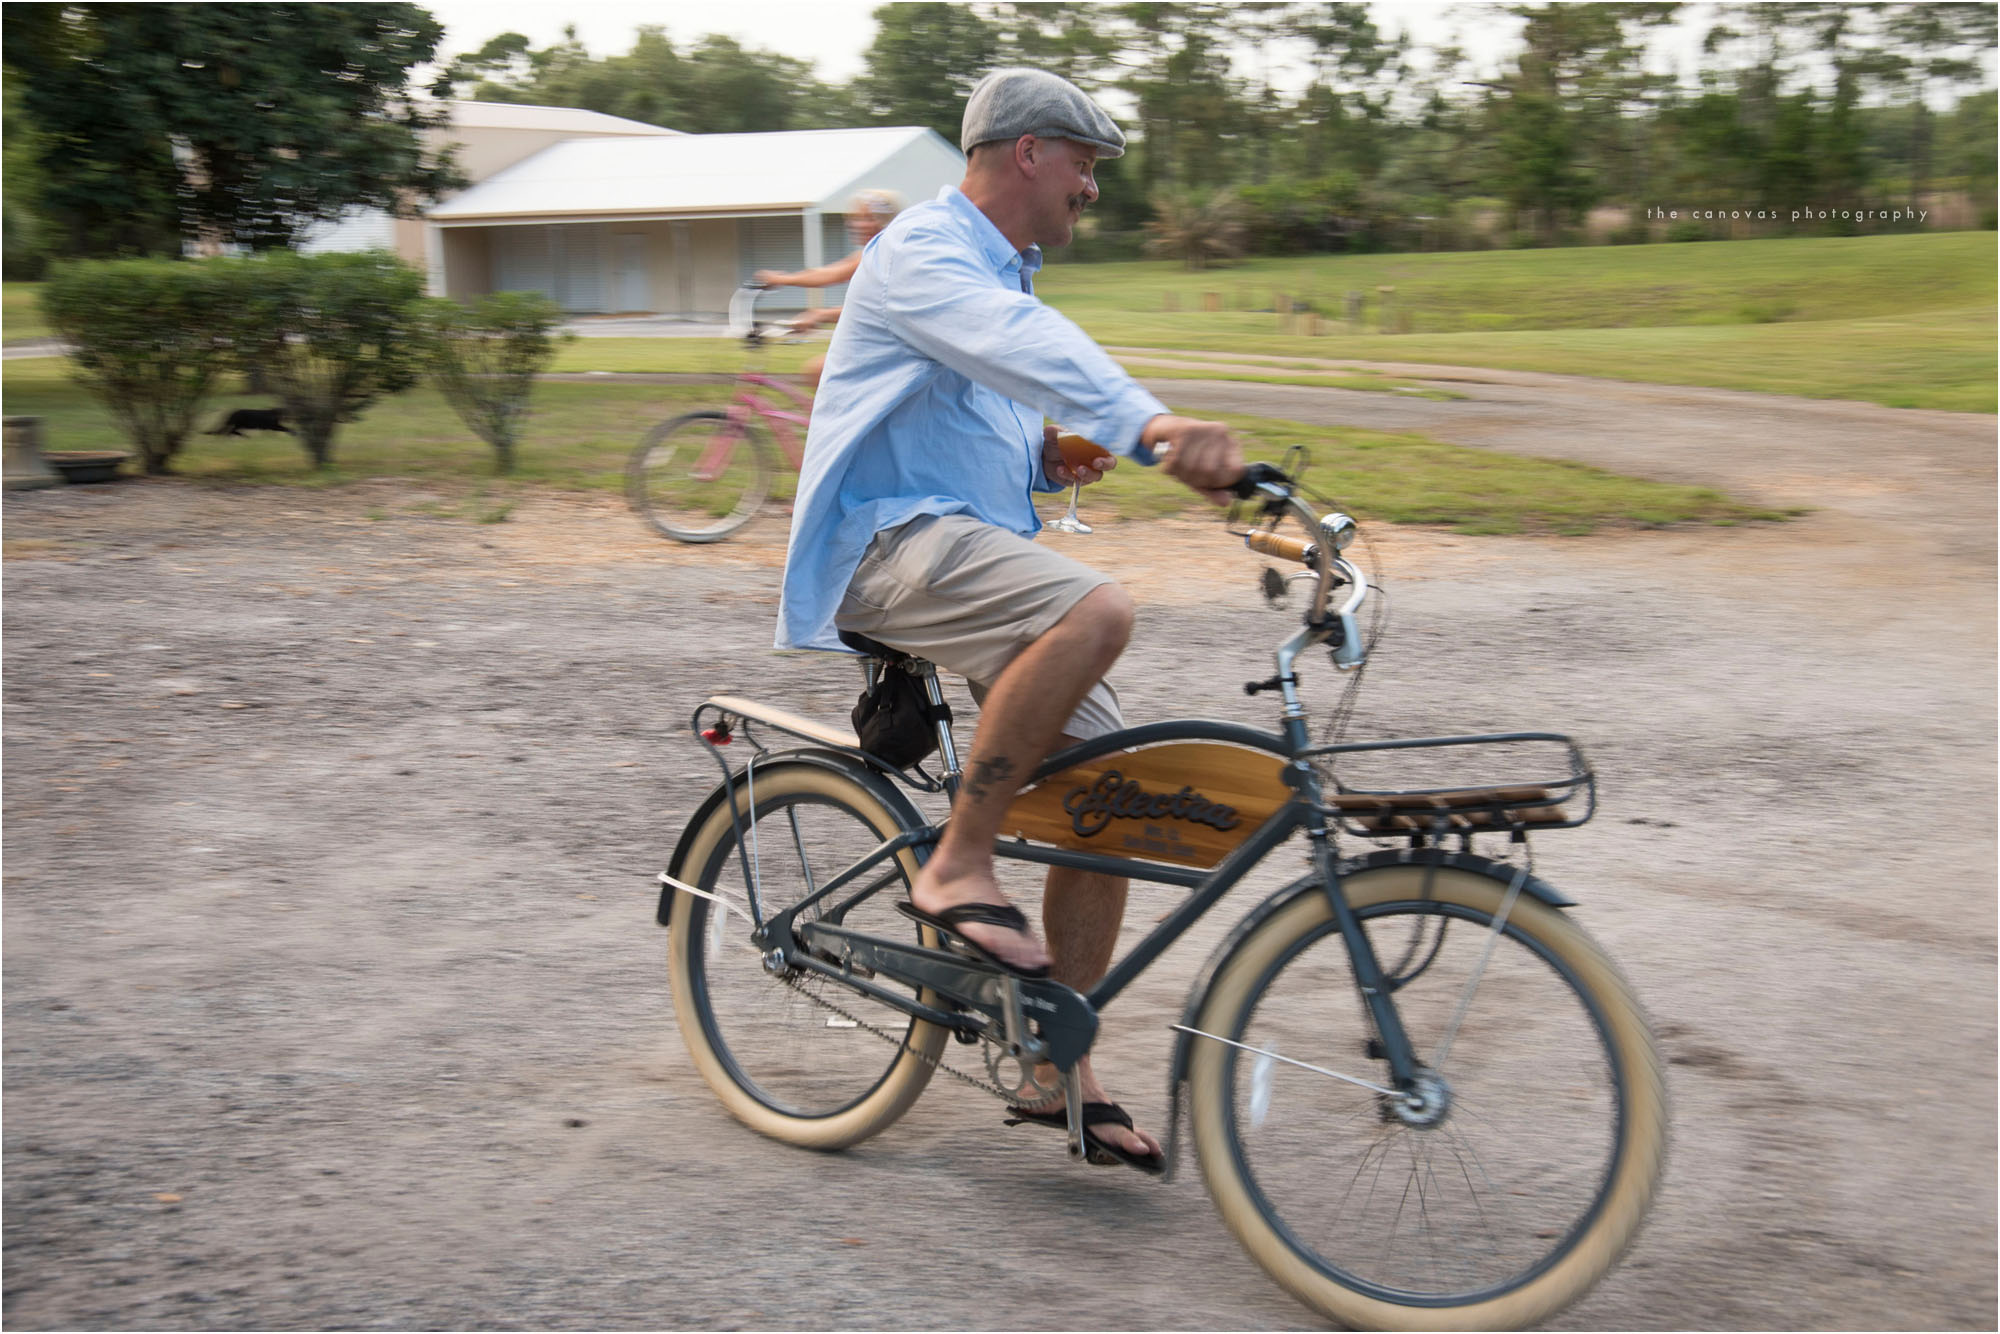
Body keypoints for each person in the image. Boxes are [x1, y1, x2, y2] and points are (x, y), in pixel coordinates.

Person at [776, 68, 1245, 1171]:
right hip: (884, 549)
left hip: (955, 548)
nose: (1092, 187)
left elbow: (987, 388)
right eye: (1084, 163)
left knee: (1109, 791)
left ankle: (1051, 1062)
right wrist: (1150, 425)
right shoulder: (927, 253)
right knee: (1094, 606)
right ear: (1026, 152)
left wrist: (1045, 451)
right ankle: (956, 863)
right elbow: (1016, 345)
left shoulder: (996, 277)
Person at [753, 189, 903, 387]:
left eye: (866, 218)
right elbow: (831, 273)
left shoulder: (889, 253)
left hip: (895, 347)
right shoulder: (871, 252)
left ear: (885, 221)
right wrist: (782, 279)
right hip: (881, 341)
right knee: (820, 372)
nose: (855, 224)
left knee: (820, 370)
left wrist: (822, 314)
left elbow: (880, 307)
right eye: (854, 218)